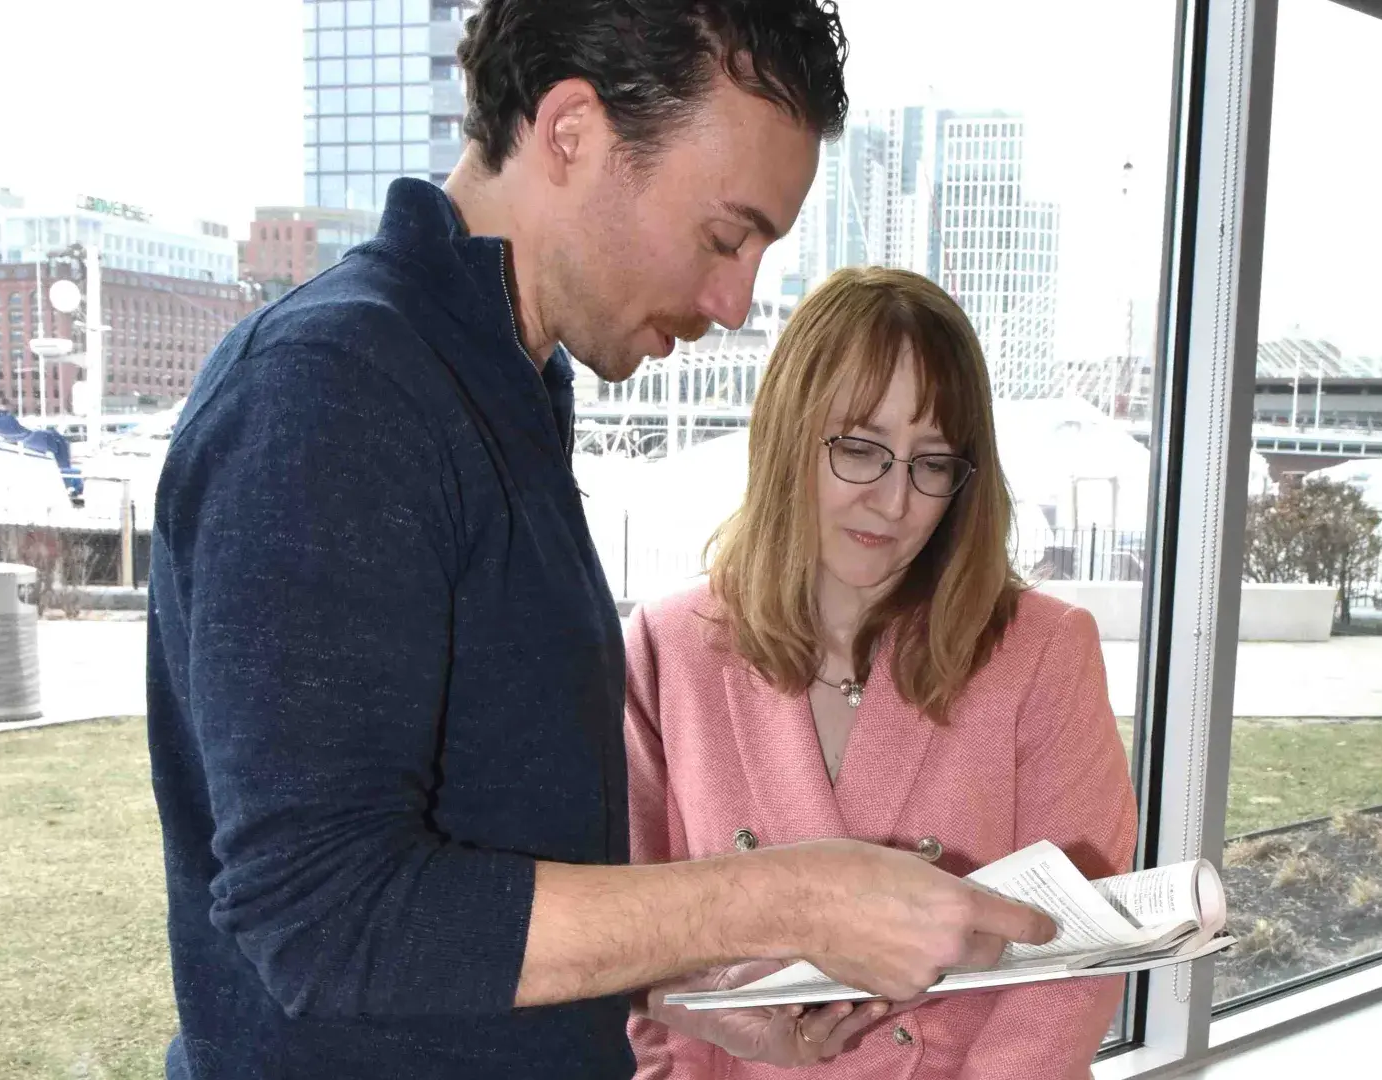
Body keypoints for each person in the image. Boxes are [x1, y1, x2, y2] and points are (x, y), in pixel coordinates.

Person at [145, 5, 1056, 1079]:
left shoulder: (511, 387)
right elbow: (325, 919)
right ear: (571, 130)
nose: (735, 301)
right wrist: (790, 895)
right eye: (726, 237)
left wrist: (682, 990)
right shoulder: (335, 392)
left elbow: (486, 859)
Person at [625, 267, 1139, 1078]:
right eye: (861, 450)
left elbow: (1073, 959)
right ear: (787, 435)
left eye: (932, 463)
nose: (895, 502)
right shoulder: (667, 647)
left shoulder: (1042, 652)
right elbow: (638, 950)